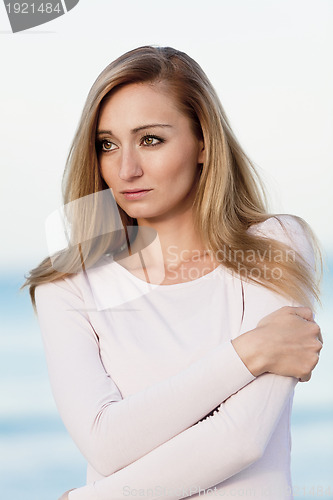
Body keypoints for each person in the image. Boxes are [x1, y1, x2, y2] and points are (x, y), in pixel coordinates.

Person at [21, 46, 323, 499]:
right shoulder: (66, 285)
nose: (126, 169)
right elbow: (106, 444)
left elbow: (240, 440)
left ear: (204, 142)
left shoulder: (274, 245)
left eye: (150, 140)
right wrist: (249, 352)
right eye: (108, 145)